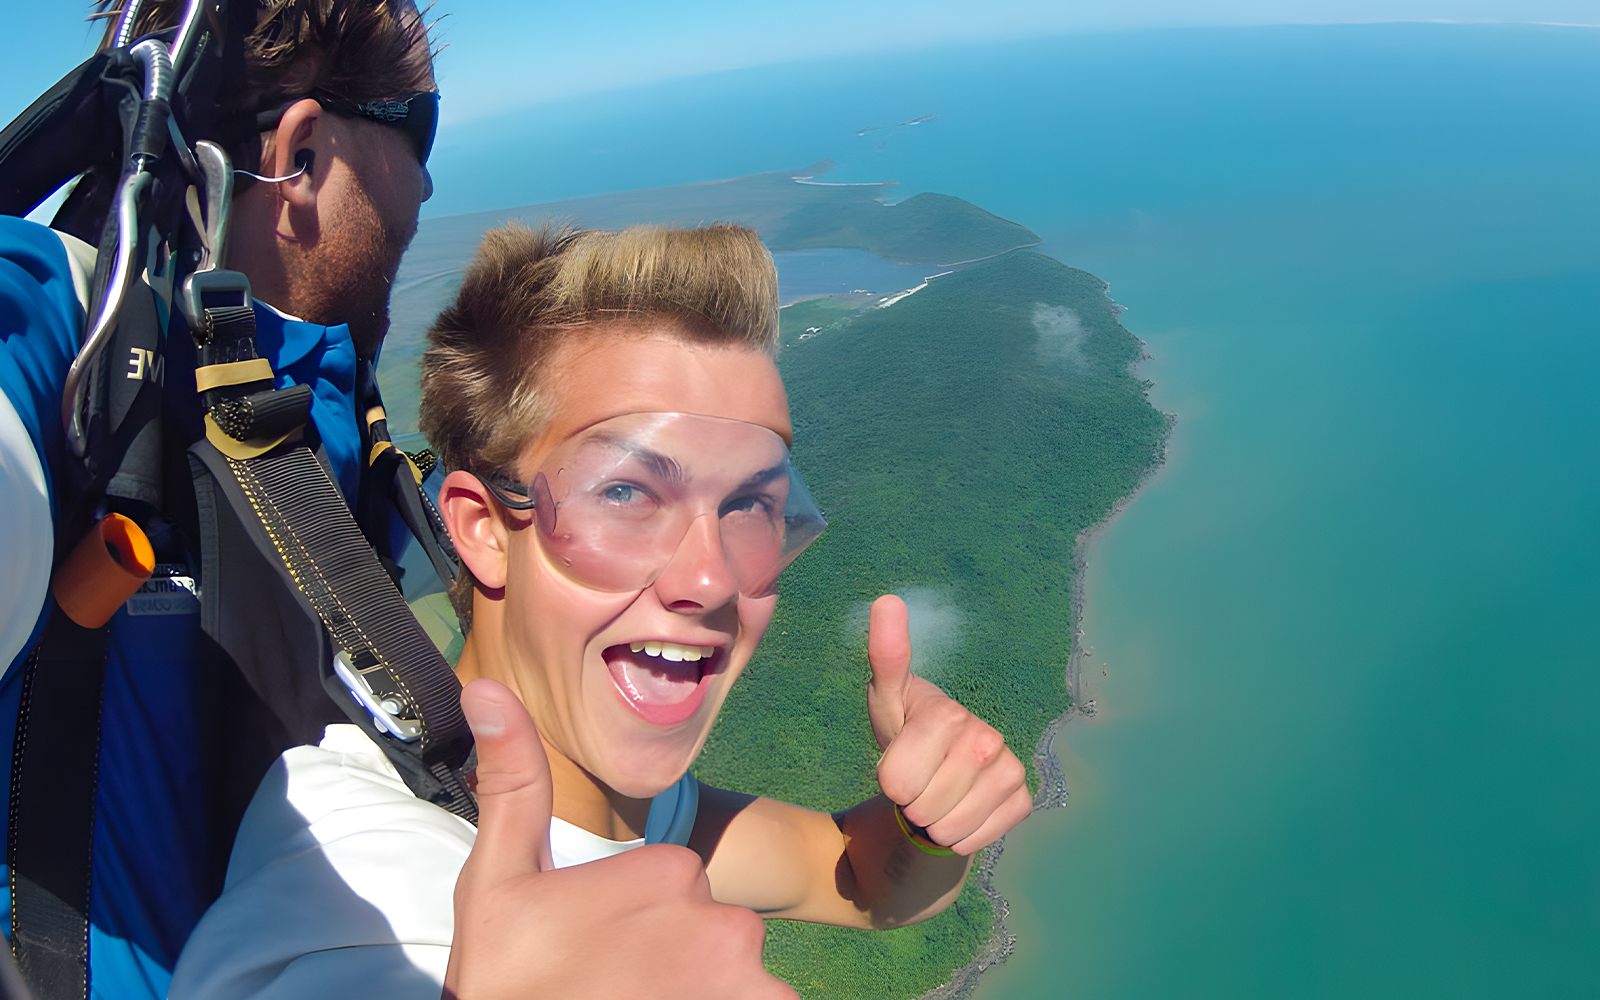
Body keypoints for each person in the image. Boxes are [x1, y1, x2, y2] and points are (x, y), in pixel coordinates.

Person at [0, 4, 783, 998]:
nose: (426, 182)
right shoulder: (63, 343)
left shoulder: (323, 417)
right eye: (420, 126)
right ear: (303, 150)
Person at [167, 222, 1033, 999]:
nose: (712, 578)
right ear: (484, 531)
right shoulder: (356, 890)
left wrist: (928, 827)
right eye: (625, 491)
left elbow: (861, 877)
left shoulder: (628, 804)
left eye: (753, 506)